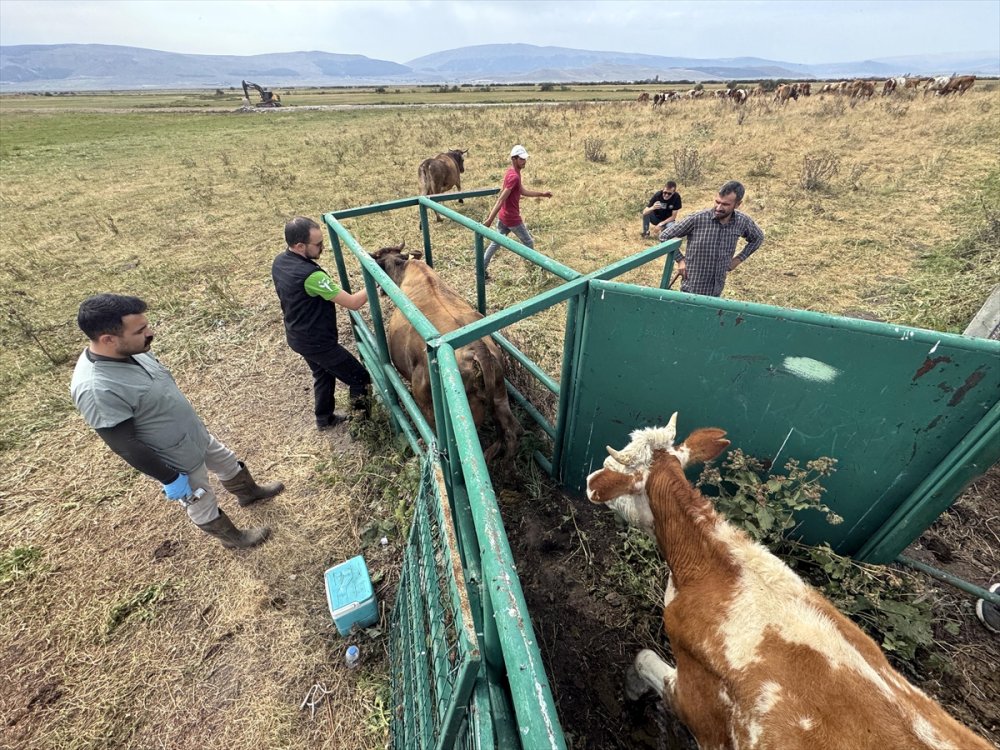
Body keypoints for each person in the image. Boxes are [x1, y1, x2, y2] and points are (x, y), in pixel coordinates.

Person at [70, 294, 283, 550]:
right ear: (108, 339)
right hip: (175, 456)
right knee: (200, 500)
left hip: (192, 433)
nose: (150, 333)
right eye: (140, 330)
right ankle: (232, 539)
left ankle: (248, 493)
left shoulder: (131, 349)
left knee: (226, 461)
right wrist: (170, 477)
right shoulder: (96, 388)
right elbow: (124, 444)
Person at [272, 216, 371, 431]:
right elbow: (353, 303)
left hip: (296, 334)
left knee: (322, 374)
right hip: (317, 342)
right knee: (360, 378)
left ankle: (324, 418)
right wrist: (375, 281)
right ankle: (361, 427)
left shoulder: (280, 262)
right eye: (318, 244)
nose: (323, 247)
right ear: (300, 246)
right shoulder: (311, 276)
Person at [659, 180, 764, 297]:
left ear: (738, 204)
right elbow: (665, 236)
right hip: (692, 288)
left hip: (716, 289)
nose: (718, 208)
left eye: (725, 204)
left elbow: (758, 238)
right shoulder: (697, 219)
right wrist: (680, 260)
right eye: (717, 202)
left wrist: (738, 260)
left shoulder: (742, 221)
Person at [482, 144, 553, 275]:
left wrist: (542, 194)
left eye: (524, 159)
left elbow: (522, 191)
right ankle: (531, 269)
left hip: (503, 216)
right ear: (514, 159)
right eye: (521, 159)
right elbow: (501, 199)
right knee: (528, 242)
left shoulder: (512, 172)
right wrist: (489, 220)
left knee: (496, 243)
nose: (524, 161)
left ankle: (481, 268)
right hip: (512, 218)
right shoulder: (514, 177)